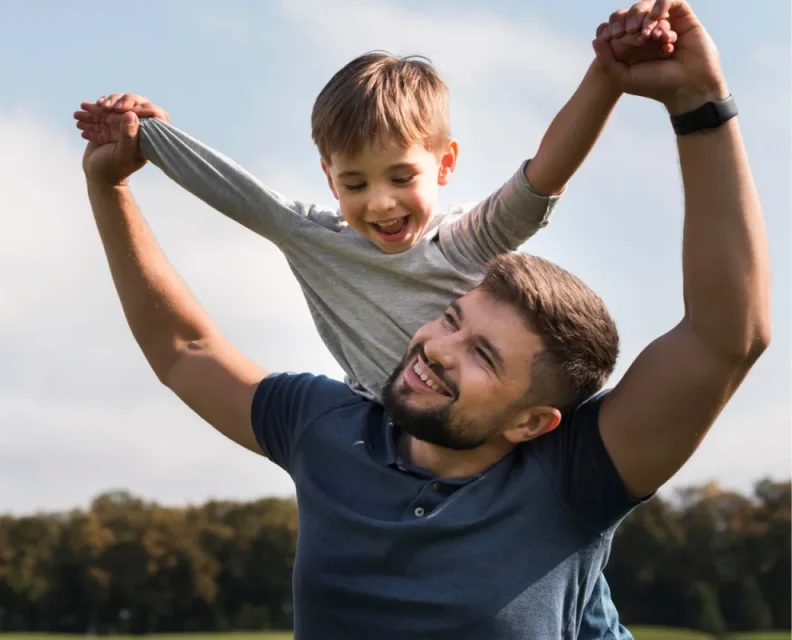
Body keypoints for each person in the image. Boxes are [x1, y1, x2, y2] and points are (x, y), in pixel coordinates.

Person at [79, 0, 770, 636]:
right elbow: (184, 349)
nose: (439, 349)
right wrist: (108, 186)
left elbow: (725, 337)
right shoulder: (326, 430)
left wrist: (697, 103)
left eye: (485, 357)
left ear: (534, 420)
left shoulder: (573, 477)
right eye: (449, 317)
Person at [73, 6, 677, 407]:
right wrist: (143, 132)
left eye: (401, 175)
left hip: (505, 442)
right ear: (329, 180)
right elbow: (232, 189)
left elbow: (545, 174)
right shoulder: (313, 239)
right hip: (387, 432)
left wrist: (608, 73)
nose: (381, 202)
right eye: (355, 183)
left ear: (444, 165)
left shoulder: (463, 242)